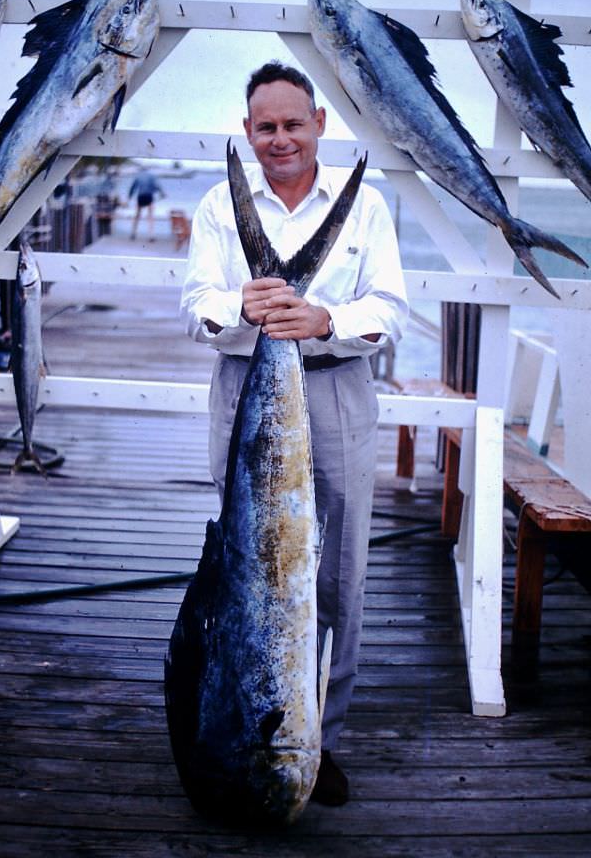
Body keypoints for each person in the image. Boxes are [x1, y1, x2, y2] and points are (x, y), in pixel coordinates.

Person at [180, 61, 408, 807]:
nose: (281, 139)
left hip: (337, 395)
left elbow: (391, 308)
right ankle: (250, 724)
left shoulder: (366, 206)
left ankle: (319, 739)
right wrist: (241, 307)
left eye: (293, 124)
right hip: (249, 395)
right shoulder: (222, 204)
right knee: (248, 575)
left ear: (319, 125)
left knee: (335, 580)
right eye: (266, 127)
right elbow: (196, 304)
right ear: (248, 134)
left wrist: (325, 319)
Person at [128, 166, 164, 241]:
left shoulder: (138, 176)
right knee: (150, 216)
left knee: (137, 215)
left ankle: (133, 233)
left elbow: (133, 187)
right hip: (149, 196)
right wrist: (162, 193)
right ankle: (151, 235)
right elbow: (157, 186)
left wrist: (129, 196)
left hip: (140, 196)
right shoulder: (151, 176)